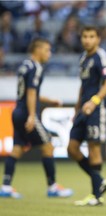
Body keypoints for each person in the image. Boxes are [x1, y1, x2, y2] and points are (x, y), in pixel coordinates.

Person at [0, 38, 73, 198]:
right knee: (48, 146)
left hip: (17, 111)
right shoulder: (36, 68)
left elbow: (28, 93)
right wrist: (32, 116)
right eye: (47, 50)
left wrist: (49, 100)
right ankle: (52, 186)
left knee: (17, 149)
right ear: (37, 49)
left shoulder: (25, 66)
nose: (49, 53)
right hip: (27, 113)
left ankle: (5, 187)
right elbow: (31, 93)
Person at [67, 26, 106, 206]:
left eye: (91, 36)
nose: (87, 40)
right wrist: (77, 108)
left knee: (94, 148)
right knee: (72, 148)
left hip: (97, 108)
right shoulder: (83, 58)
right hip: (83, 110)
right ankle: (99, 180)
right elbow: (83, 85)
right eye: (84, 36)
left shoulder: (100, 56)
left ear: (98, 39)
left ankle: (96, 196)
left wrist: (94, 101)